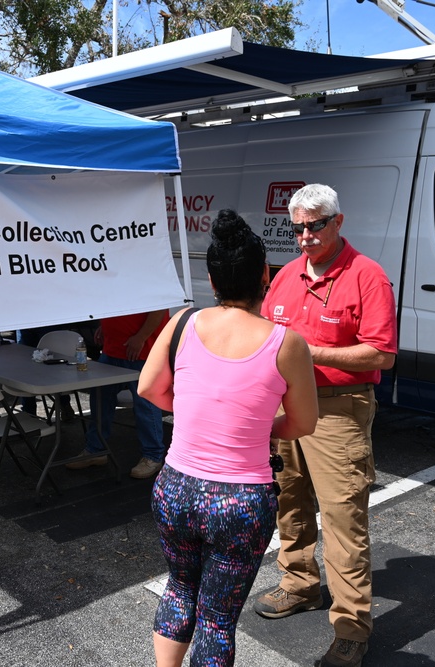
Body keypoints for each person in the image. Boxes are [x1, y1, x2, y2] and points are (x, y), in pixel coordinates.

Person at [137, 209, 318, 667]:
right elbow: (304, 423)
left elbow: (149, 388)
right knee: (216, 619)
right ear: (265, 276)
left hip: (176, 487)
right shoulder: (286, 343)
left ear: (212, 280)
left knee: (180, 588)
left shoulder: (182, 323)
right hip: (241, 502)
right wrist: (253, 426)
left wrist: (202, 417)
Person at [254, 184, 397, 667]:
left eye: (315, 225)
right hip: (286, 404)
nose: (305, 236)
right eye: (297, 228)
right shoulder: (286, 276)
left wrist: (308, 353)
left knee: (342, 519)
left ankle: (351, 626)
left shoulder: (367, 276)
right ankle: (299, 583)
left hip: (339, 407)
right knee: (288, 500)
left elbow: (381, 353)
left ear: (338, 221)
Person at [65, 310, 169, 479]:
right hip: (114, 348)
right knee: (100, 399)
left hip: (141, 351)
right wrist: (104, 325)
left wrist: (141, 337)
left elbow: (158, 310)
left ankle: (153, 456)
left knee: (145, 405)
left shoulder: (150, 282)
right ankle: (95, 449)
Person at [16, 325, 75, 422]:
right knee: (26, 369)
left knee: (55, 365)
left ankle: (64, 402)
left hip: (45, 322)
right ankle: (28, 413)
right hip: (25, 323)